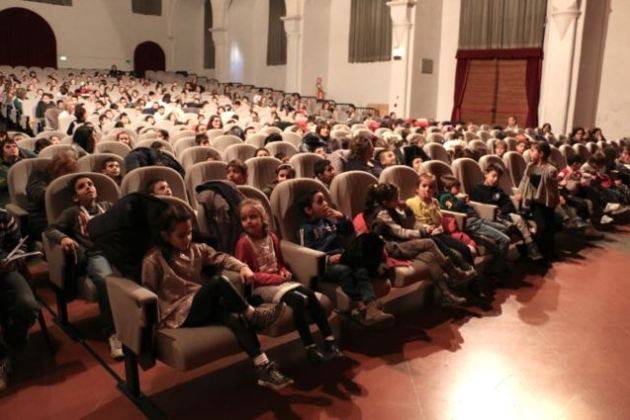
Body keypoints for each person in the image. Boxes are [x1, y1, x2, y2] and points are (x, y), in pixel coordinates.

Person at [141, 204, 292, 390]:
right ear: (165, 235)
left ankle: (264, 367)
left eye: (189, 232)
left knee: (235, 318)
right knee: (217, 282)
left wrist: (243, 267)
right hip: (178, 313)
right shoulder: (153, 260)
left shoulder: (197, 249)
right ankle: (254, 315)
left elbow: (223, 258)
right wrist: (151, 330)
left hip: (200, 304)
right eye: (181, 235)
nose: (187, 238)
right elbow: (147, 293)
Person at [235, 199, 342, 364]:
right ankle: (310, 347)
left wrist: (284, 271)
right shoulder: (243, 243)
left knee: (310, 295)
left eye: (252, 217)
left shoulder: (272, 237)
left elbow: (280, 262)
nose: (248, 222)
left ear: (263, 218)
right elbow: (248, 274)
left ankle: (329, 340)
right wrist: (276, 278)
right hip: (261, 287)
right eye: (244, 218)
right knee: (298, 300)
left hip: (279, 282)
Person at [44, 176, 121, 359]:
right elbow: (50, 229)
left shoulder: (108, 206)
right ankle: (113, 332)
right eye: (81, 187)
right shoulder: (72, 212)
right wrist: (63, 238)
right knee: (105, 280)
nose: (88, 187)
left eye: (90, 184)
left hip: (116, 250)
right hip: (95, 254)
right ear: (75, 197)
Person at [297, 188, 394, 327]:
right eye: (320, 201)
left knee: (361, 265)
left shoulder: (328, 221)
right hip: (324, 265)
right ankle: (361, 306)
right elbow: (305, 254)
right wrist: (329, 259)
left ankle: (371, 306)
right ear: (308, 210)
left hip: (342, 256)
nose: (325, 203)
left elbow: (349, 231)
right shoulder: (305, 229)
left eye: (325, 200)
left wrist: (340, 216)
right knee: (345, 270)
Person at [362, 184, 470, 305]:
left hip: (401, 243)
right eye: (395, 198)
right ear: (385, 201)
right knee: (429, 242)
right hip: (392, 247)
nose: (398, 200)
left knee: (430, 256)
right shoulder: (381, 213)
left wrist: (405, 209)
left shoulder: (388, 208)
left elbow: (405, 221)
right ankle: (453, 272)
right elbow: (401, 232)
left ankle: (446, 295)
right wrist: (422, 232)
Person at [438, 175, 511, 278]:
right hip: (471, 224)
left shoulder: (454, 197)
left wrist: (465, 201)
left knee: (505, 228)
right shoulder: (445, 197)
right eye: (456, 187)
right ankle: (497, 268)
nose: (459, 189)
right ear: (447, 188)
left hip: (477, 220)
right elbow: (453, 208)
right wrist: (461, 200)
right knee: (505, 240)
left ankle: (497, 262)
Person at [0, 209, 40, 391]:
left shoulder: (3, 216)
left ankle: (8, 346)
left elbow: (20, 245)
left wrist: (12, 261)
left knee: (28, 306)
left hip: (6, 272)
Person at [470, 164, 543, 261]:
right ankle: (528, 245)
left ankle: (530, 246)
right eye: (493, 175)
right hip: (487, 218)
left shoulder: (498, 190)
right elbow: (477, 208)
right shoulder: (476, 190)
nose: (495, 179)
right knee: (518, 224)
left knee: (518, 218)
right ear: (486, 174)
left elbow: (508, 204)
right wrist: (494, 211)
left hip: (503, 215)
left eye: (498, 177)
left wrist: (502, 211)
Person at [405, 173, 477, 265]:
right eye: (424, 186)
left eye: (431, 187)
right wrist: (425, 228)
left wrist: (431, 206)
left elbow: (438, 220)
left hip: (438, 233)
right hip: (424, 235)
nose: (427, 189)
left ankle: (472, 274)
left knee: (465, 248)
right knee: (450, 254)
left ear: (434, 189)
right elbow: (409, 223)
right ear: (417, 188)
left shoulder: (434, 201)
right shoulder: (410, 202)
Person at [517, 141, 560, 265]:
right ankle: (537, 253)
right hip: (535, 203)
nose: (530, 153)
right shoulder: (530, 166)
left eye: (532, 150)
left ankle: (548, 253)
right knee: (542, 227)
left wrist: (555, 200)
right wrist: (520, 192)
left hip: (547, 203)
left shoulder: (550, 169)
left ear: (541, 154)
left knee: (550, 227)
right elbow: (524, 180)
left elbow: (552, 188)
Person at [26, 150, 79, 240]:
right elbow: (39, 195)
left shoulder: (71, 179)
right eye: (67, 170)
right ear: (57, 167)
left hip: (67, 217)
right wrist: (59, 186)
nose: (69, 175)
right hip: (43, 218)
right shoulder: (39, 175)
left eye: (72, 171)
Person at [1, 139, 30, 208]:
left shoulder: (27, 164)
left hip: (27, 198)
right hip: (6, 199)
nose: (12, 148)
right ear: (2, 152)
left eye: (14, 146)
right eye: (8, 147)